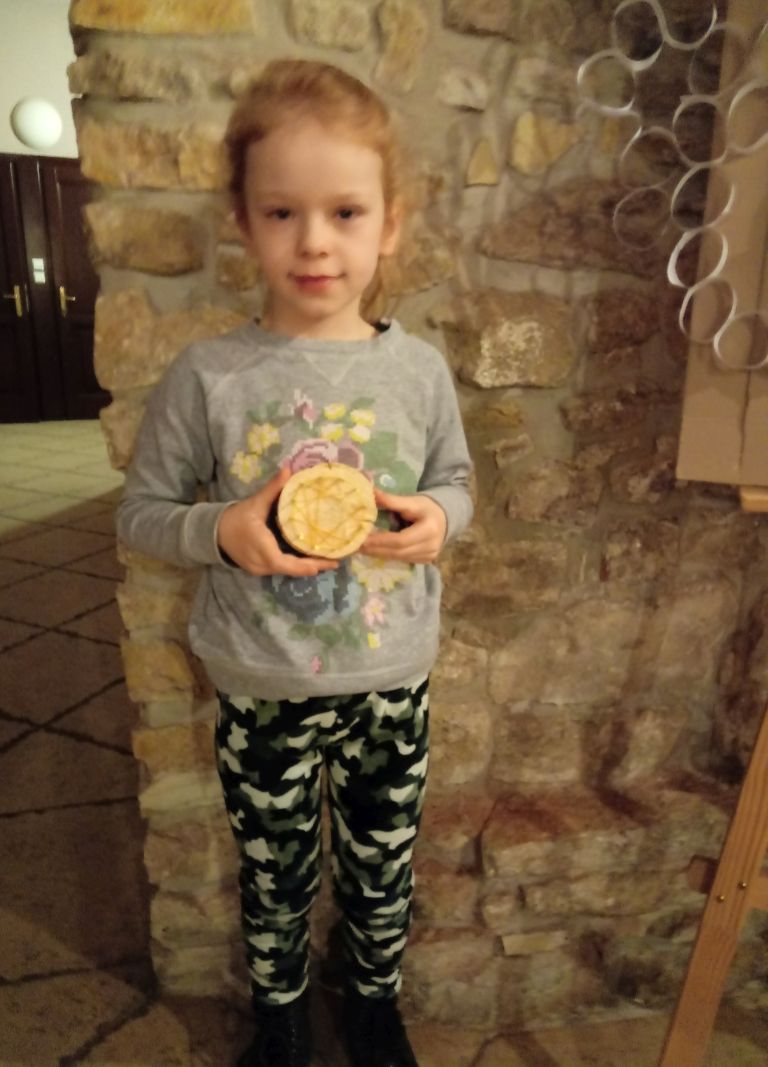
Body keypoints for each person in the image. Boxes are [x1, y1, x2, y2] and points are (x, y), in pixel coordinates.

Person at [117, 58, 473, 1067]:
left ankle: (371, 1004)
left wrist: (439, 522)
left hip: (391, 682)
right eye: (282, 212)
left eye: (345, 212)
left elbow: (456, 481)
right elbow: (142, 512)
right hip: (261, 683)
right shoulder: (209, 375)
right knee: (272, 870)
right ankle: (278, 1015)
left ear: (389, 223)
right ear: (243, 220)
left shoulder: (417, 370)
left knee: (381, 865)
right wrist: (219, 529)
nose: (314, 241)